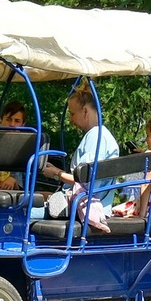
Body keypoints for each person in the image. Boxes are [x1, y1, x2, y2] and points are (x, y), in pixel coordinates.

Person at [39, 82, 120, 218]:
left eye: (72, 114)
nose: (70, 119)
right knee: (33, 196)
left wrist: (56, 174)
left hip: (84, 209)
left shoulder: (96, 137)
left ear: (85, 111)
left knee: (22, 210)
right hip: (83, 205)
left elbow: (85, 182)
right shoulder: (100, 135)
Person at [0, 101, 29, 191]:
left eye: (17, 121)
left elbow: (19, 189)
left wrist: (13, 181)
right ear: (0, 121)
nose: (12, 124)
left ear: (23, 124)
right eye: (8, 119)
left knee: (49, 195)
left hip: (13, 196)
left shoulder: (22, 150)